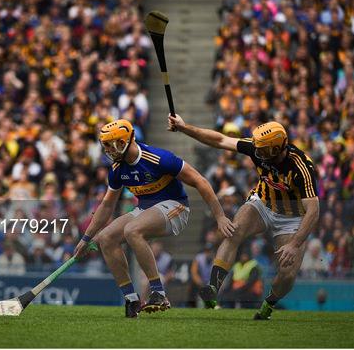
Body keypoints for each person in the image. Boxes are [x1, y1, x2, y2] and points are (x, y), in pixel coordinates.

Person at [74, 119, 235, 318]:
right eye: (106, 144)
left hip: (176, 207)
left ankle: (158, 293)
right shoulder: (117, 170)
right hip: (144, 209)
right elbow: (107, 205)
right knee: (106, 238)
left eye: (114, 143)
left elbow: (200, 181)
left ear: (127, 141)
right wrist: (86, 238)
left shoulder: (159, 158)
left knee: (132, 230)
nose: (109, 150)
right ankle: (132, 300)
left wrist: (219, 216)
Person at [168, 114, 319, 320]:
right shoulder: (258, 146)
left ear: (276, 148)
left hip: (292, 218)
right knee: (234, 231)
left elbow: (313, 210)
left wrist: (295, 244)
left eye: (262, 149)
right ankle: (213, 288)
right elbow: (220, 140)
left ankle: (268, 304)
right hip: (263, 203)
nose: (256, 151)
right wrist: (185, 128)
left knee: (287, 272)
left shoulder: (301, 167)